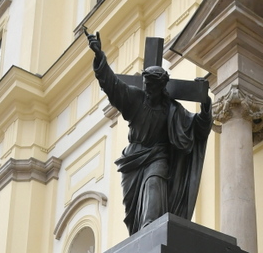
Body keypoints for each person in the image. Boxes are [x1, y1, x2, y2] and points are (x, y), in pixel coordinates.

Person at [86, 29, 213, 235]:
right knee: (132, 211)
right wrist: (99, 56)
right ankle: (141, 238)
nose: (147, 90)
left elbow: (198, 127)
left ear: (161, 86)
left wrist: (205, 104)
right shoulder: (135, 99)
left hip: (157, 157)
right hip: (134, 159)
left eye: (151, 87)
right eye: (146, 85)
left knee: (154, 186)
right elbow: (112, 85)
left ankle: (151, 233)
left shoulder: (171, 109)